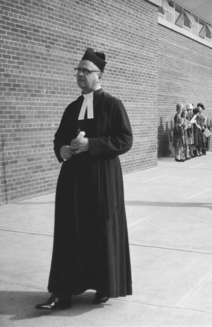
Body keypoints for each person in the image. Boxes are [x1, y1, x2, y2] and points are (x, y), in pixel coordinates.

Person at [36, 48, 133, 310]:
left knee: (100, 233)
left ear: (98, 74)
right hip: (74, 183)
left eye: (85, 70)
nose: (79, 74)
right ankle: (61, 292)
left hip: (103, 181)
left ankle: (104, 286)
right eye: (77, 70)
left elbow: (125, 140)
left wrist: (91, 144)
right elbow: (58, 138)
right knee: (69, 234)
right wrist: (62, 150)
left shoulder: (113, 105)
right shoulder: (72, 108)